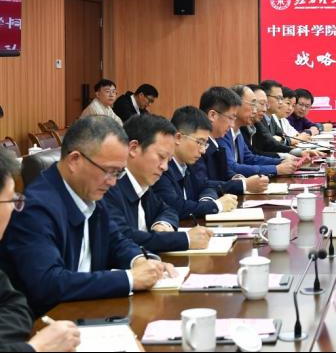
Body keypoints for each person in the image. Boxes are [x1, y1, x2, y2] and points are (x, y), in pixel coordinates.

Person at [0, 116, 175, 316]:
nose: (113, 182)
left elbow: (116, 241)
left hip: (87, 311)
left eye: (118, 173)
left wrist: (140, 261)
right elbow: (48, 283)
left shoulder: (90, 192)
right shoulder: (36, 208)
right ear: (75, 160)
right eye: (109, 171)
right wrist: (130, 279)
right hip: (49, 322)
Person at [0, 149, 81, 352]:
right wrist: (37, 348)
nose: (14, 208)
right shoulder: (39, 205)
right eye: (11, 200)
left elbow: (15, 305)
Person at [101, 114, 212, 253]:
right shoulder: (109, 187)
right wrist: (185, 239)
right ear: (133, 148)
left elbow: (168, 210)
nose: (165, 167)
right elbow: (124, 237)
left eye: (168, 160)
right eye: (161, 157)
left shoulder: (142, 185)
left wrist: (163, 224)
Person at [153, 106, 237, 219]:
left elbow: (205, 186)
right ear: (178, 137)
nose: (203, 150)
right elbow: (175, 207)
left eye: (205, 144)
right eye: (199, 142)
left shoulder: (189, 164)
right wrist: (217, 205)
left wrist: (206, 199)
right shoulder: (162, 168)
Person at [191, 87, 269, 195]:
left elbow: (225, 172)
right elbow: (202, 185)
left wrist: (238, 178)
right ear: (212, 115)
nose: (232, 125)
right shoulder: (197, 146)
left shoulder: (215, 142)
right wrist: (244, 184)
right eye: (231, 118)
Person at [219, 85, 298, 178]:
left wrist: (281, 162)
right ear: (236, 104)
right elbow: (232, 168)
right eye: (253, 104)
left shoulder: (237, 131)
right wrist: (276, 169)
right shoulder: (222, 132)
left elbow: (250, 158)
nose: (255, 110)